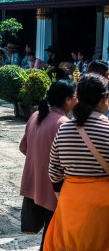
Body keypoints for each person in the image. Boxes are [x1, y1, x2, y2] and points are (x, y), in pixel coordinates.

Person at [44, 74, 109, 250]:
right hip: (103, 207)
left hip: (70, 201)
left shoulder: (64, 129)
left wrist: (61, 194)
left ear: (78, 97)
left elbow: (54, 170)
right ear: (103, 99)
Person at [19, 80, 77, 250]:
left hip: (35, 184)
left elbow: (24, 147)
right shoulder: (63, 123)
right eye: (75, 97)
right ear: (67, 100)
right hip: (54, 188)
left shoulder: (36, 115)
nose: (76, 101)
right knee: (53, 237)